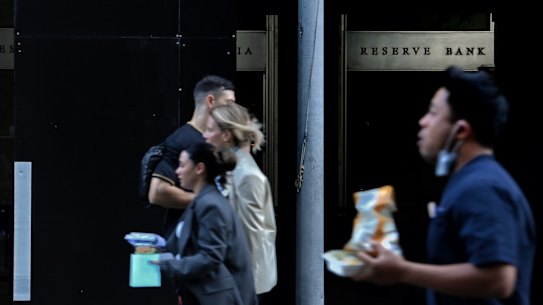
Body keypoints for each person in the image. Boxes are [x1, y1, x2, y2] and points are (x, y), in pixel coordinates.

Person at [351, 66, 536, 305]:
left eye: (433, 112)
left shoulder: (482, 187)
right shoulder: (471, 181)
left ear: (461, 130)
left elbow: (499, 279)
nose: (423, 121)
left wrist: (403, 271)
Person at [153, 142, 257, 305]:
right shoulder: (202, 200)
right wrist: (155, 246)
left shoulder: (210, 204)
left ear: (199, 168)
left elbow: (211, 257)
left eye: (182, 165)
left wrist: (171, 265)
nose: (177, 171)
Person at [203, 103, 278, 303]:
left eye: (210, 130)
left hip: (239, 285)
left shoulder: (246, 175)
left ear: (226, 135)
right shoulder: (234, 169)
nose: (205, 136)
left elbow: (250, 236)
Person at [148, 75, 236, 236]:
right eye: (228, 104)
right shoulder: (180, 141)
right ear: (210, 101)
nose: (233, 111)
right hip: (187, 244)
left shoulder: (218, 140)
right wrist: (208, 201)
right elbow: (157, 192)